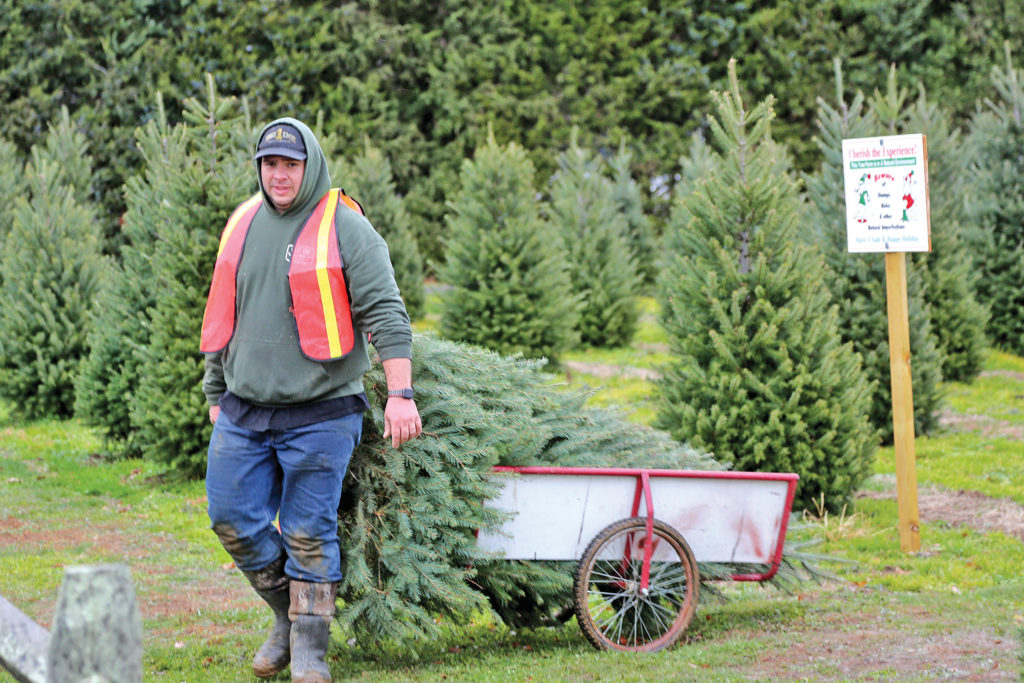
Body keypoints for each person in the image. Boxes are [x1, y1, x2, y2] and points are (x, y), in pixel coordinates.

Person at [200, 118, 422, 683]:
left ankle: (309, 651)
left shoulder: (344, 226)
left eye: (290, 164)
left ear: (310, 165)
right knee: (230, 516)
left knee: (306, 530)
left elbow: (388, 315)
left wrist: (400, 393)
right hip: (243, 410)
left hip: (321, 414)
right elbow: (225, 309)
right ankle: (284, 613)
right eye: (269, 164)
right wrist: (214, 389)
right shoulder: (242, 222)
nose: (279, 174)